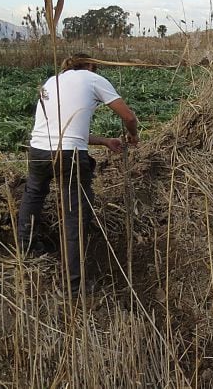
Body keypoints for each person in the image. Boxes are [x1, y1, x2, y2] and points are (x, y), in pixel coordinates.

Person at [17, 53, 139, 297]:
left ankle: (27, 249)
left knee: (34, 193)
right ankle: (74, 285)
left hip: (38, 150)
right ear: (91, 65)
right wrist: (133, 135)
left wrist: (104, 141)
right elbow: (128, 116)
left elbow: (63, 129)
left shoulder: (52, 81)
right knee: (74, 214)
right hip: (69, 156)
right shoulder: (93, 79)